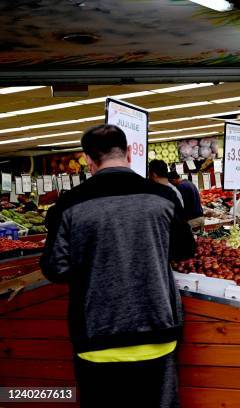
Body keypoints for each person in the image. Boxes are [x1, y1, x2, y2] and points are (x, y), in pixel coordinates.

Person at [40, 124, 195, 408]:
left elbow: (55, 268)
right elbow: (185, 249)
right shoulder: (162, 197)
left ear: (87, 159)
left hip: (97, 339)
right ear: (130, 152)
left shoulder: (70, 205)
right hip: (157, 334)